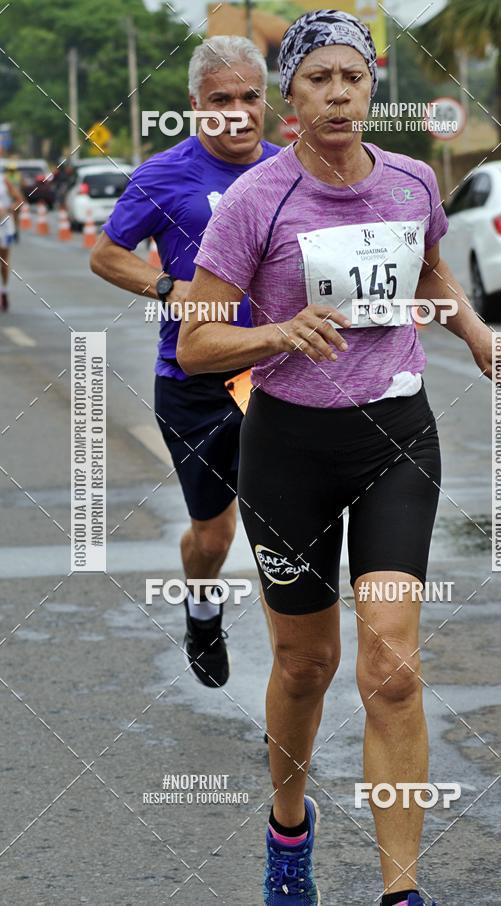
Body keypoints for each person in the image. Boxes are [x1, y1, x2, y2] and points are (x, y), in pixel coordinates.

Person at [178, 9, 501, 905]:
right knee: (306, 665)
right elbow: (195, 345)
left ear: (373, 87)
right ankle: (289, 828)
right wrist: (276, 334)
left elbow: (426, 276)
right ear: (290, 98)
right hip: (289, 448)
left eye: (353, 78)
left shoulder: (413, 181)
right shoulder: (259, 199)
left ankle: (401, 890)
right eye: (316, 81)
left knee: (392, 670)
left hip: (396, 437)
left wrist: (480, 337)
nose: (337, 94)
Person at [90, 36, 280, 688]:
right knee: (213, 534)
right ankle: (202, 608)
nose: (236, 111)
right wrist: (173, 289)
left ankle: (294, 685)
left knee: (283, 531)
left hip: (276, 377)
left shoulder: (293, 171)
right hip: (194, 380)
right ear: (196, 106)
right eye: (220, 99)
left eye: (249, 96)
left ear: (266, 100)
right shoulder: (163, 175)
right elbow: (107, 254)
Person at [0, 168, 23, 310]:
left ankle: (4, 291)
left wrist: (8, 208)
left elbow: (20, 201)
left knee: (4, 261)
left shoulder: (4, 181)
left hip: (4, 227)